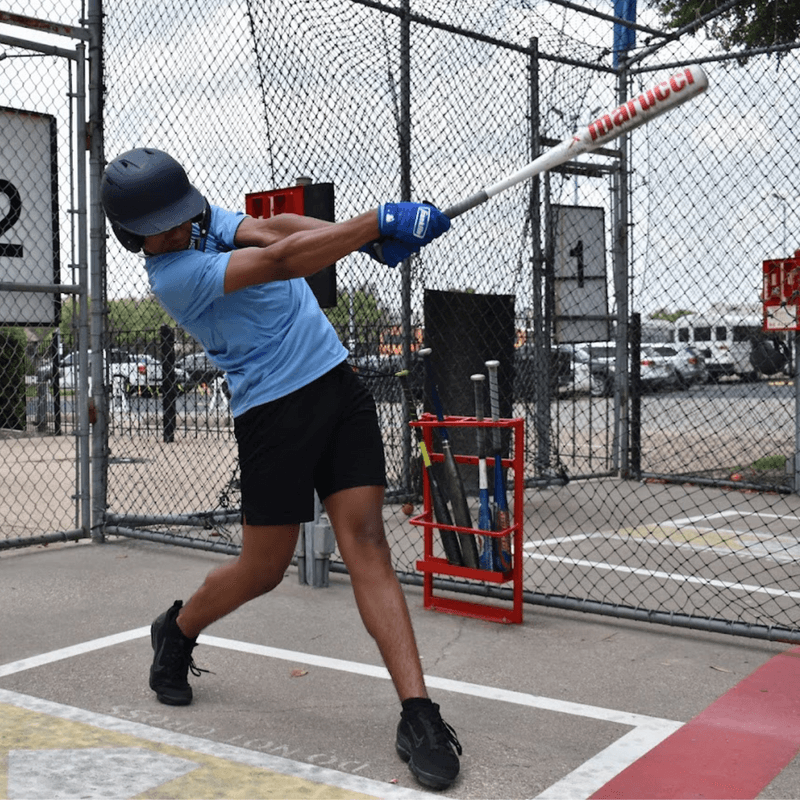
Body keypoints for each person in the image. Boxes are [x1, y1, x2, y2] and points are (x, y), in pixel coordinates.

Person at [100, 147, 462, 791]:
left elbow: (274, 230)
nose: (184, 225)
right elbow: (278, 262)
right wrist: (374, 222)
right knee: (264, 569)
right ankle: (177, 630)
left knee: (368, 542)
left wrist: (352, 240)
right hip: (273, 412)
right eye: (165, 222)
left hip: (336, 383)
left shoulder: (194, 219)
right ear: (135, 237)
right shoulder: (176, 274)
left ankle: (419, 713)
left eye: (184, 212)